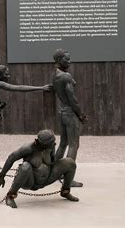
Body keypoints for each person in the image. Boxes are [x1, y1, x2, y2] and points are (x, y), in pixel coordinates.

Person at [0, 129, 79, 208]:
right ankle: (10, 196)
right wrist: (2, 176)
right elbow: (11, 158)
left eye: (53, 142)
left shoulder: (50, 147)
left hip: (47, 178)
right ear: (42, 144)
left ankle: (65, 191)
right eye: (51, 143)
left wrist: (59, 166)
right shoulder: (28, 148)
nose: (54, 144)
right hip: (31, 182)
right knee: (25, 166)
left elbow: (53, 161)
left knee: (70, 163)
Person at [47, 49, 87, 187]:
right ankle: (68, 177)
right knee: (74, 144)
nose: (69, 62)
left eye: (69, 59)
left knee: (63, 143)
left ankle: (52, 172)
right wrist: (80, 114)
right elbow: (72, 99)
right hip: (70, 112)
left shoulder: (56, 74)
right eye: (66, 60)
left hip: (62, 112)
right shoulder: (66, 76)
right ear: (59, 60)